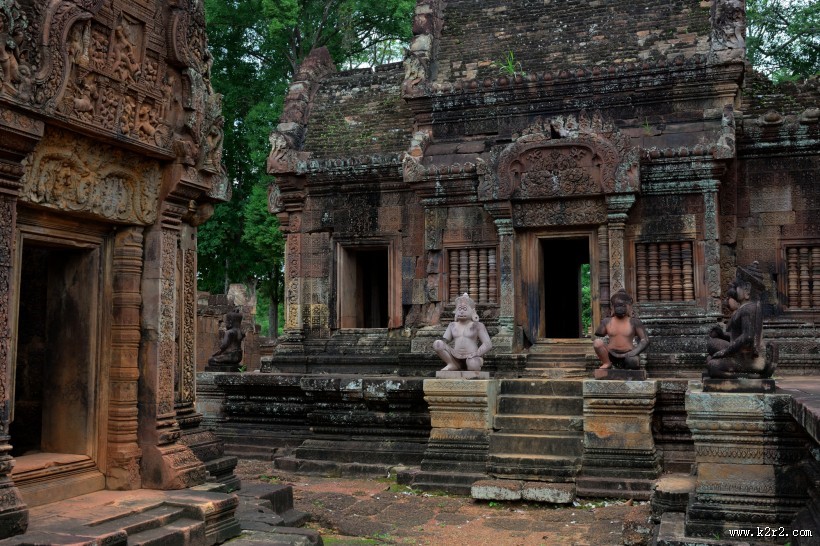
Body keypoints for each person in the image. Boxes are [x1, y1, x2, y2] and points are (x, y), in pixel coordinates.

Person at [705, 261, 769, 378]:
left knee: (712, 364)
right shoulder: (747, 307)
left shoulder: (749, 309)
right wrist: (722, 334)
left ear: (747, 288)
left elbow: (747, 337)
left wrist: (725, 352)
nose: (735, 290)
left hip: (749, 359)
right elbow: (738, 335)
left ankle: (745, 377)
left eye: (737, 287)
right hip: (742, 354)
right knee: (711, 352)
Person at [433, 293, 492, 371]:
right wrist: (441, 345)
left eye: (464, 309)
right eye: (459, 309)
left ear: (473, 311)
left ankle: (470, 363)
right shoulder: (452, 325)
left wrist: (477, 353)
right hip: (455, 356)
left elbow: (488, 344)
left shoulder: (477, 325)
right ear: (456, 311)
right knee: (437, 344)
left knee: (473, 365)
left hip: (472, 356)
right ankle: (452, 364)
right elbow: (444, 341)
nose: (461, 312)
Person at [592, 289, 649, 370]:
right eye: (617, 306)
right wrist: (605, 319)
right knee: (597, 342)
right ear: (612, 307)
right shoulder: (607, 321)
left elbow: (645, 340)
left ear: (629, 307)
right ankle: (607, 363)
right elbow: (599, 333)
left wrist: (634, 352)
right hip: (610, 353)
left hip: (629, 353)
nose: (619, 308)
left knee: (633, 363)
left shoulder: (634, 322)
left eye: (622, 305)